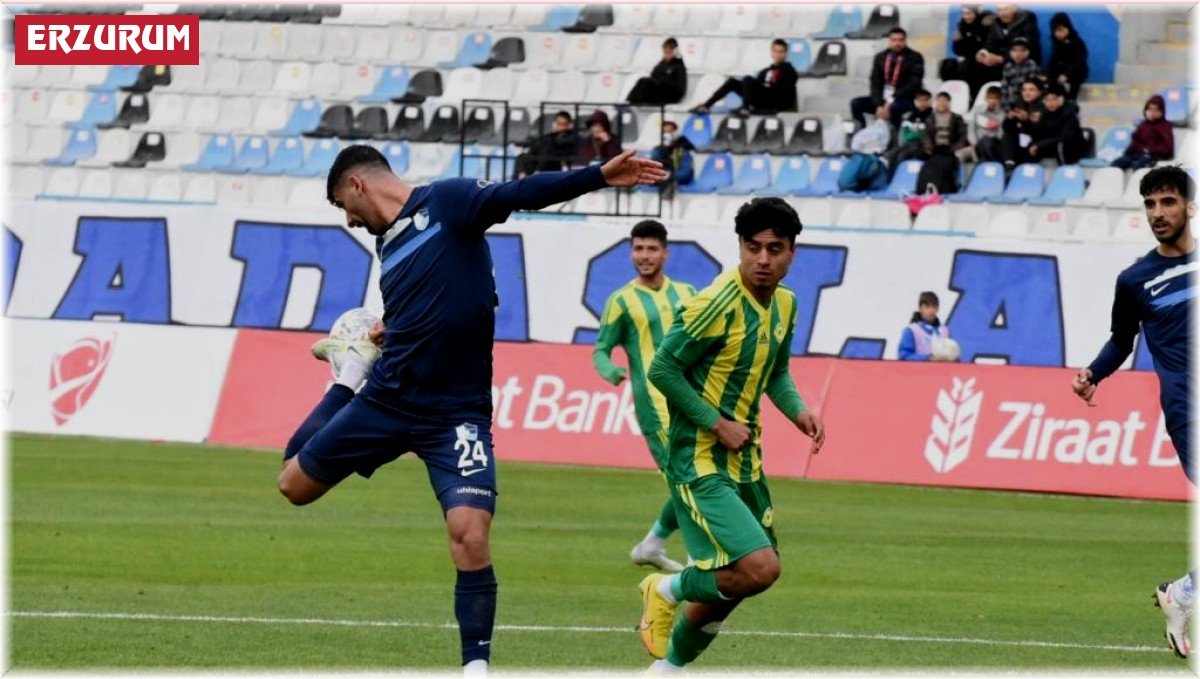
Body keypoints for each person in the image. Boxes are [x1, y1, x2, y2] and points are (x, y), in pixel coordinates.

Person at [278, 145, 667, 675]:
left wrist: (599, 175)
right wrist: (390, 332)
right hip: (389, 398)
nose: (348, 220)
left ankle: (475, 668)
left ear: (356, 185)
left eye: (342, 206)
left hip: (455, 413)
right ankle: (350, 371)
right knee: (293, 484)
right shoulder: (388, 253)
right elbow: (429, 305)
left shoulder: (450, 201)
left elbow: (521, 192)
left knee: (470, 533)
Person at [636, 197, 826, 672]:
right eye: (752, 247)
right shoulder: (714, 303)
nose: (762, 259)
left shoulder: (785, 302)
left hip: (744, 460)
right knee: (761, 568)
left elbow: (776, 371)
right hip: (699, 456)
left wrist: (799, 411)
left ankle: (667, 669)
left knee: (737, 583)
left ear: (791, 254)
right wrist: (716, 423)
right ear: (740, 247)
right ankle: (664, 587)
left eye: (774, 249)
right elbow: (663, 369)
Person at [1071, 165, 1195, 660]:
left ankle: (1183, 592)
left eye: (1167, 202)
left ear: (1189, 206)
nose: (1157, 214)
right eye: (1149, 204)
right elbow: (1123, 339)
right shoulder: (1136, 279)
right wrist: (1093, 374)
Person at [593, 220, 698, 573]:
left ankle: (652, 545)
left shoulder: (687, 294)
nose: (644, 255)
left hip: (694, 402)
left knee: (697, 478)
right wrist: (610, 370)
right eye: (638, 248)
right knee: (689, 479)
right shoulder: (621, 300)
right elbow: (601, 349)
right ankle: (699, 557)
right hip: (655, 408)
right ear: (631, 253)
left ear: (665, 253)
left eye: (651, 249)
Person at [690, 39, 798, 116]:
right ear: (771, 52)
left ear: (786, 54)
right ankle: (706, 105)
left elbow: (787, 94)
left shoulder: (789, 71)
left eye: (781, 51)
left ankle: (746, 108)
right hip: (761, 99)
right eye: (775, 51)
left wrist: (767, 88)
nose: (778, 54)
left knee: (748, 78)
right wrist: (761, 88)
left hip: (774, 101)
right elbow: (755, 87)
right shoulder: (765, 71)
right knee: (733, 81)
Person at [850, 27, 926, 129]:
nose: (897, 43)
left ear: (905, 41)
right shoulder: (880, 57)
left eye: (900, 40)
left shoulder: (915, 57)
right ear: (889, 41)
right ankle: (861, 133)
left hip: (904, 98)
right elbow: (875, 82)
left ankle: (897, 138)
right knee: (856, 103)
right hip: (882, 98)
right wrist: (878, 105)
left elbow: (914, 83)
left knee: (894, 108)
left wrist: (890, 101)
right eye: (894, 40)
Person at [976, 3, 1041, 86]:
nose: (1002, 13)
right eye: (999, 10)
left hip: (1018, 60)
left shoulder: (1026, 20)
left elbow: (1028, 47)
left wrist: (1001, 59)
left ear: (1015, 10)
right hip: (998, 61)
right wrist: (983, 53)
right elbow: (989, 44)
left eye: (1006, 9)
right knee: (975, 67)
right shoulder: (995, 23)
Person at [1113, 95, 1175, 170]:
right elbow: (1135, 141)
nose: (1152, 112)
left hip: (1154, 156)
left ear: (1161, 111)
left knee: (1138, 165)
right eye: (1149, 109)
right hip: (1139, 154)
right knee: (1117, 163)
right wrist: (1127, 153)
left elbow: (1167, 148)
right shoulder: (1143, 125)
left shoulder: (1165, 126)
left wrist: (1149, 150)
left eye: (1155, 110)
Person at [1027, 82, 1084, 164]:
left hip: (1070, 148)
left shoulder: (1069, 113)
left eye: (1053, 99)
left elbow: (1065, 136)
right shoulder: (1044, 112)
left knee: (1062, 145)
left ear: (1060, 100)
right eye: (1047, 100)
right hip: (1053, 146)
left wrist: (1040, 145)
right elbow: (1038, 133)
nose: (1050, 103)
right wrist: (1035, 123)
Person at [948, 5, 997, 101]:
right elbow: (958, 51)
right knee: (949, 66)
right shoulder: (962, 25)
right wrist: (957, 41)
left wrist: (981, 51)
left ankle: (976, 98)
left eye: (969, 13)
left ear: (976, 13)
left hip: (986, 57)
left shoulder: (986, 22)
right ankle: (957, 96)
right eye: (964, 14)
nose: (966, 17)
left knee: (972, 67)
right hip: (971, 58)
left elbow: (991, 44)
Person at [516, 110, 579, 178]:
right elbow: (532, 152)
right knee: (522, 157)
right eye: (558, 123)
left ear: (569, 125)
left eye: (564, 124)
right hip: (540, 168)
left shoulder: (573, 138)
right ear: (554, 124)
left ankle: (537, 174)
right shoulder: (547, 138)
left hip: (555, 168)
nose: (560, 127)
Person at [626, 37, 688, 106]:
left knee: (645, 83)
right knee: (642, 81)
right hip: (659, 91)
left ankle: (634, 102)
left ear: (675, 52)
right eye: (665, 52)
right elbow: (654, 75)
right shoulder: (662, 64)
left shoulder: (679, 66)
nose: (666, 55)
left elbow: (680, 88)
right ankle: (629, 102)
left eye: (668, 52)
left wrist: (662, 81)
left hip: (670, 94)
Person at [1000, 77, 1044, 167]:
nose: (1027, 93)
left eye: (1031, 90)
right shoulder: (1018, 104)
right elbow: (1007, 129)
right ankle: (1009, 163)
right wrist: (1010, 119)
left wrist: (1027, 120)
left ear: (1039, 92)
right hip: (1020, 146)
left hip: (1037, 146)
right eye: (1024, 90)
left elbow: (1043, 131)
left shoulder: (1044, 107)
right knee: (1005, 135)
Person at [1046, 12, 1088, 102]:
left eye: (1061, 29)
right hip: (1061, 71)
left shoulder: (1076, 42)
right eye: (1055, 31)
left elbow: (1079, 61)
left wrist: (1066, 74)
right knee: (1050, 76)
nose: (1058, 33)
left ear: (1068, 28)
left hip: (1076, 71)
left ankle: (1072, 99)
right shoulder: (1056, 42)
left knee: (1078, 71)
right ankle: (1062, 97)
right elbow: (1053, 60)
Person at [898, 291, 953, 361]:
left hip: (942, 371)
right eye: (926, 307)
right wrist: (928, 358)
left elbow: (953, 355)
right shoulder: (911, 330)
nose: (931, 310)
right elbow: (904, 356)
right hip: (918, 371)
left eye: (934, 307)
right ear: (920, 308)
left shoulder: (945, 331)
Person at [648, 120, 696, 195]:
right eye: (664, 132)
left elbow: (684, 174)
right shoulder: (657, 150)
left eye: (669, 131)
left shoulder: (683, 151)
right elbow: (651, 170)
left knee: (669, 184)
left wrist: (669, 175)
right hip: (660, 180)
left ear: (675, 134)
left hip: (676, 181)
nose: (666, 135)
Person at [961, 85, 1005, 163]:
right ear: (986, 98)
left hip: (994, 144)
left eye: (996, 99)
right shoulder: (978, 111)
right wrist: (974, 142)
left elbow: (1001, 134)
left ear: (1000, 100)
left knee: (986, 142)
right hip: (977, 144)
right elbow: (971, 128)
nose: (993, 101)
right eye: (990, 98)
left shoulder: (1002, 114)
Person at [1000, 37, 1043, 110]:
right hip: (1012, 103)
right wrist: (1007, 109)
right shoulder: (1008, 67)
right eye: (1015, 50)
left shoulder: (1031, 65)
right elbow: (1004, 89)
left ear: (1028, 52)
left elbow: (1032, 90)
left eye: (1022, 50)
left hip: (1029, 104)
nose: (1018, 54)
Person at [923, 91, 970, 158]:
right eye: (939, 101)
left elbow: (963, 136)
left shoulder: (957, 118)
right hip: (935, 149)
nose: (941, 103)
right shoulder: (930, 118)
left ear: (949, 103)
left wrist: (954, 149)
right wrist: (929, 149)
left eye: (944, 101)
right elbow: (926, 135)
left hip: (951, 149)